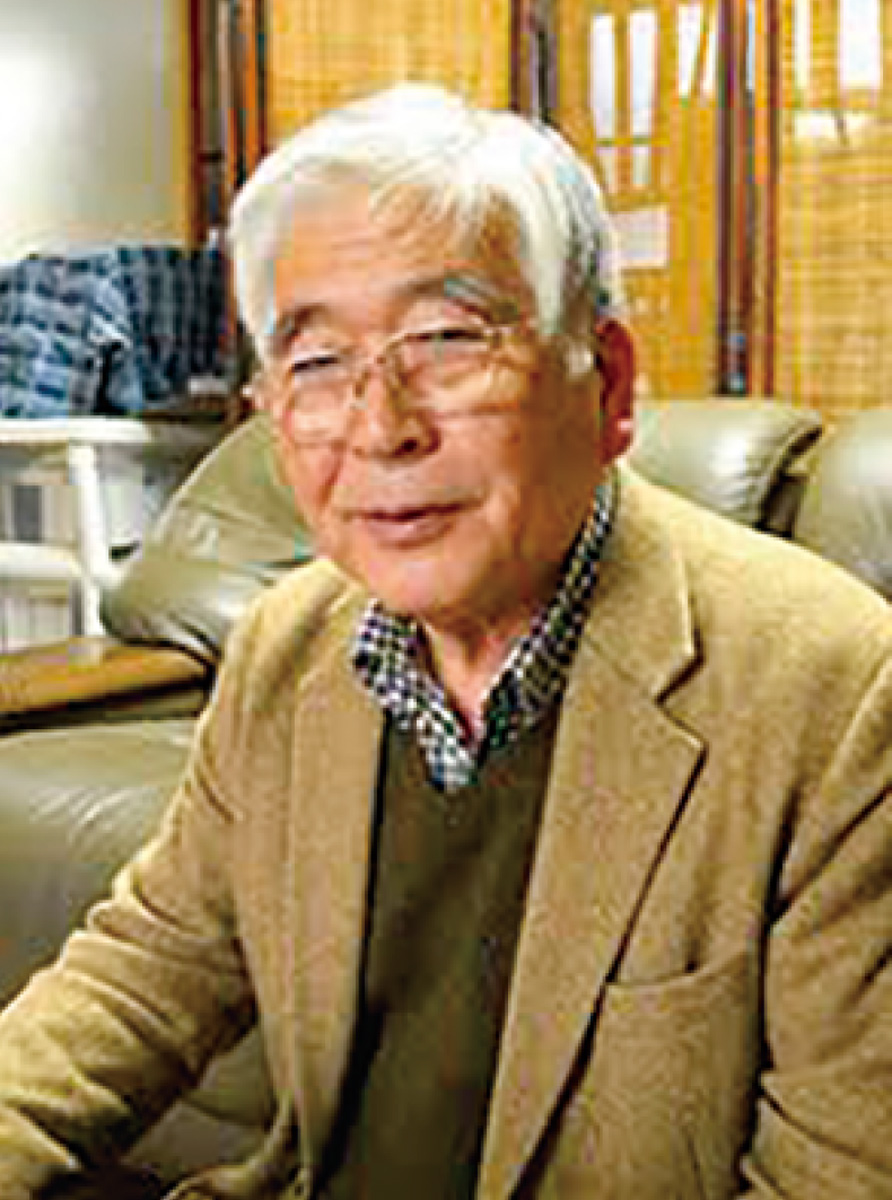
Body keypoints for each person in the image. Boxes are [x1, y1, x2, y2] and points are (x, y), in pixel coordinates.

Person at [0, 83, 890, 1200]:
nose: (381, 427)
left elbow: (838, 1177)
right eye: (316, 363)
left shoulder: (837, 692)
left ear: (608, 385)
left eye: (447, 342)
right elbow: (148, 969)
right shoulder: (286, 644)